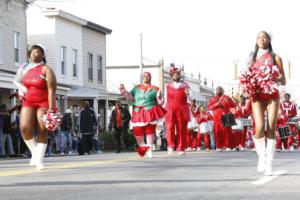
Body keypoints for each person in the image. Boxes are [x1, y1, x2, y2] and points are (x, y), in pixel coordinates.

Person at [239, 31, 286, 175]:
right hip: (257, 95)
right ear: (256, 40)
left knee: (271, 126)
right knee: (259, 127)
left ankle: (269, 163)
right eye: (259, 37)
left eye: (264, 37)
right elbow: (244, 76)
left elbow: (283, 80)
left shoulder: (275, 57)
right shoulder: (251, 58)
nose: (261, 39)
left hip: (272, 94)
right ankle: (262, 156)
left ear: (269, 40)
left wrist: (271, 76)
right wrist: (242, 88)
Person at [13, 44, 57, 170]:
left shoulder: (46, 70)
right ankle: (35, 153)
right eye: (32, 52)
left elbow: (51, 91)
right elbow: (16, 81)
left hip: (44, 101)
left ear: (43, 54)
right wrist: (23, 89)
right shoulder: (24, 68)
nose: (34, 54)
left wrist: (51, 109)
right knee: (25, 128)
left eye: (37, 52)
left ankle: (39, 160)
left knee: (42, 128)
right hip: (28, 101)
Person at [120, 72, 166, 158]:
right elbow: (130, 97)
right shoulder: (137, 88)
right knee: (137, 131)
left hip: (150, 111)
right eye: (144, 76)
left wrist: (160, 98)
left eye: (147, 76)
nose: (145, 77)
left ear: (150, 78)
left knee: (150, 131)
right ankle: (143, 146)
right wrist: (123, 91)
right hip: (138, 111)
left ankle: (149, 150)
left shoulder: (156, 88)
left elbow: (161, 101)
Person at [164, 66, 190, 155]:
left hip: (182, 107)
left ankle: (181, 147)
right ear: (171, 76)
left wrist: (188, 94)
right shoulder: (167, 86)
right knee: (170, 127)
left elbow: (190, 97)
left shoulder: (186, 85)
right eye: (174, 74)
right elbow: (164, 99)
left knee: (181, 128)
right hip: (170, 108)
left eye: (177, 74)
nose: (176, 76)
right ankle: (170, 146)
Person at [208, 86, 236, 151]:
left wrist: (228, 102)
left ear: (222, 90)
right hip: (216, 118)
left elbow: (233, 105)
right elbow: (209, 107)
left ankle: (228, 146)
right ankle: (219, 146)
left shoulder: (227, 97)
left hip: (226, 116)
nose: (218, 90)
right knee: (217, 132)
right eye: (217, 89)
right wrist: (216, 104)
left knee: (227, 131)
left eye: (220, 89)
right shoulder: (213, 99)